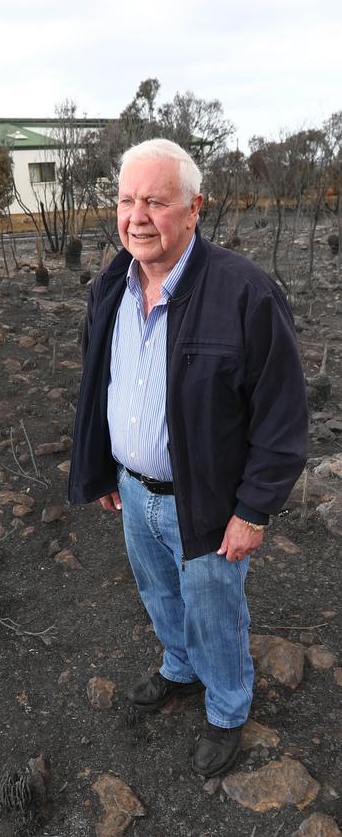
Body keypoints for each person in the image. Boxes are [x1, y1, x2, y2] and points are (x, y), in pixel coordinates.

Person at [68, 138, 308, 778]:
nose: (136, 216)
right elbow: (99, 383)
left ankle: (228, 707)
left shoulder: (245, 292)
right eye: (125, 200)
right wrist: (101, 466)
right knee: (157, 592)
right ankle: (179, 666)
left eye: (155, 201)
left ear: (194, 208)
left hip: (207, 501)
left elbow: (282, 418)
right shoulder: (111, 287)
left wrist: (254, 511)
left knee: (215, 607)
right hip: (134, 489)